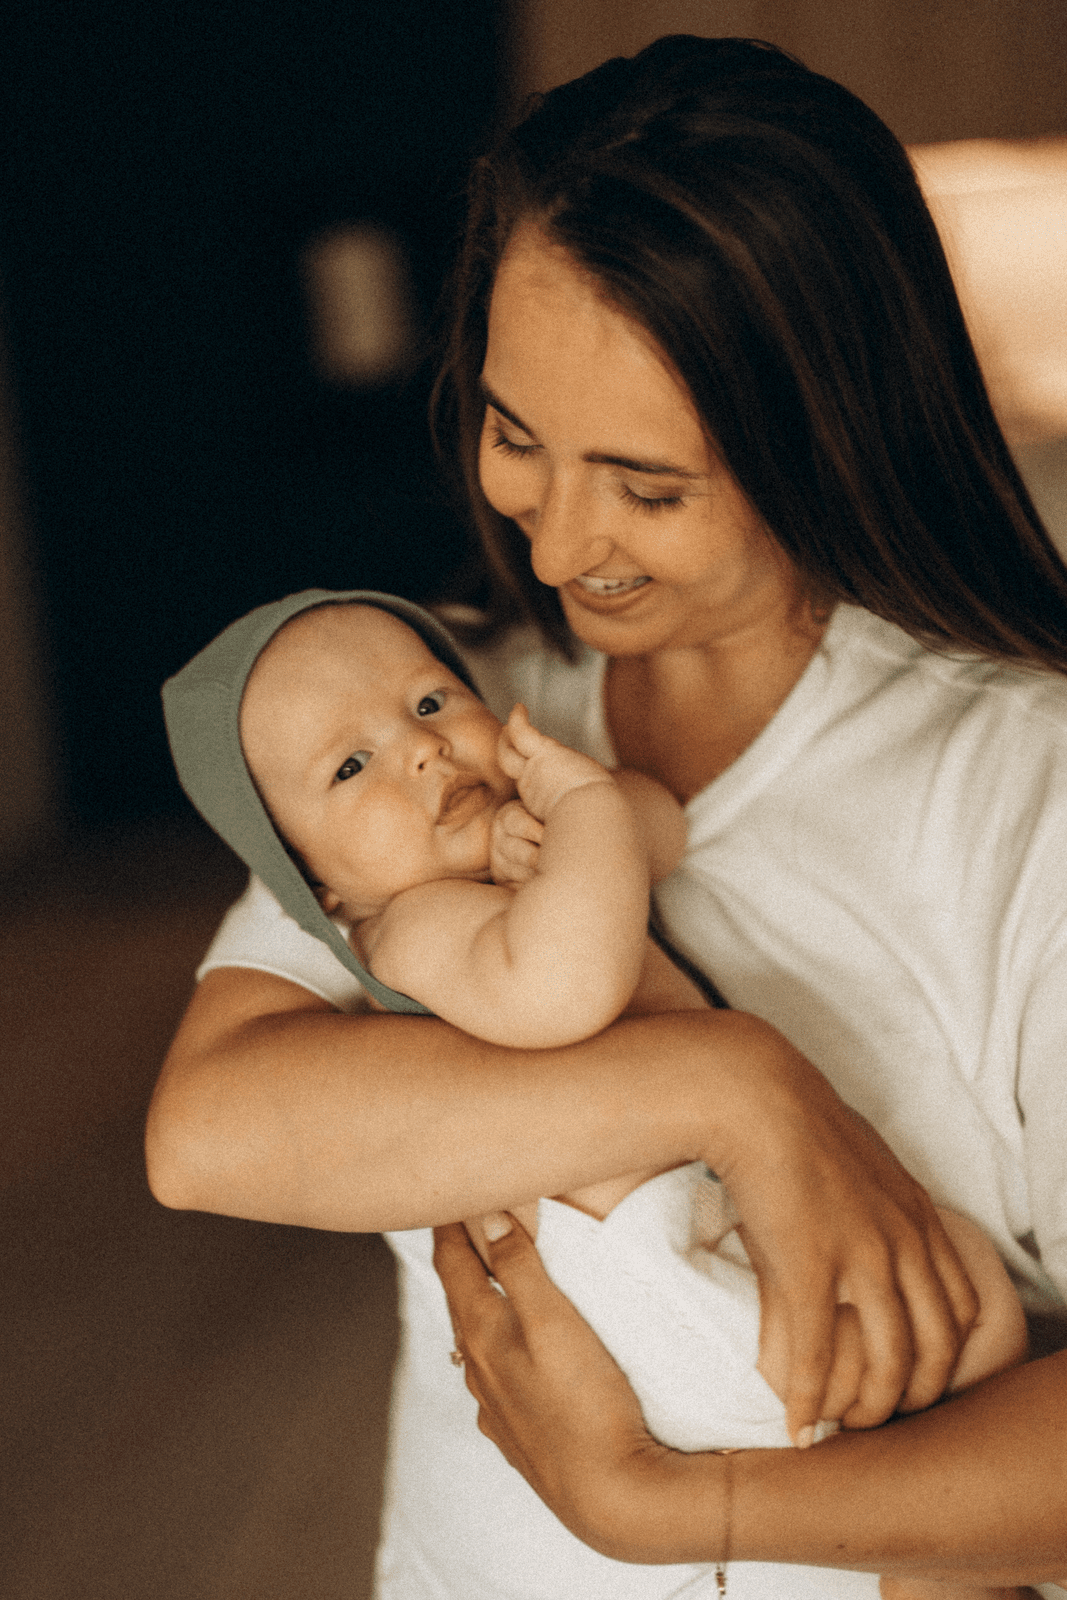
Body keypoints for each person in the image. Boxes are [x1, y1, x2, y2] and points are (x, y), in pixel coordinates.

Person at [145, 34, 1067, 1600]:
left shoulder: (1018, 800)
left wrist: (664, 1509)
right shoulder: (438, 726)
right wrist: (726, 1085)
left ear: (825, 430)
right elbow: (212, 1128)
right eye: (515, 437)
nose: (563, 545)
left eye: (646, 485)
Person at [162, 588, 1027, 1571]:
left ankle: (936, 1528)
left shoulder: (529, 844)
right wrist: (578, 818)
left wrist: (575, 813)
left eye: (432, 702)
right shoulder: (405, 930)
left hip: (704, 1213)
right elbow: (558, 991)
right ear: (320, 889)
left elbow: (662, 832)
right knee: (886, 1345)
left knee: (964, 1314)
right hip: (636, 1270)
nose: (419, 751)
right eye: (351, 765)